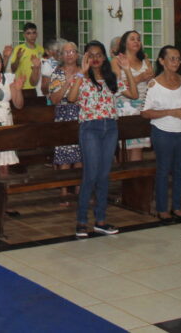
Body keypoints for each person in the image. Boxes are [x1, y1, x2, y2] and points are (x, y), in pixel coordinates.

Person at [65, 40, 137, 238]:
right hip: (90, 128)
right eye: (91, 55)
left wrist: (127, 70)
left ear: (104, 57)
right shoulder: (81, 77)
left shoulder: (111, 78)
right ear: (86, 57)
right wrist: (82, 72)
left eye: (99, 55)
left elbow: (134, 93)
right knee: (91, 174)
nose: (95, 59)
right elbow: (71, 98)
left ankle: (101, 221)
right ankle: (81, 221)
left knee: (104, 175)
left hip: (110, 128)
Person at [142, 46, 181, 223]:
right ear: (162, 61)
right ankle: (162, 209)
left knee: (180, 169)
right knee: (163, 170)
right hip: (163, 132)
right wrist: (171, 112)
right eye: (172, 58)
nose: (176, 62)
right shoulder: (154, 85)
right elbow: (145, 112)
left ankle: (177, 207)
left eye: (178, 59)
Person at [48, 42, 83, 204]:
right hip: (63, 116)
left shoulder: (83, 72)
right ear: (61, 56)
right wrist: (67, 84)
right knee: (64, 156)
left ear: (77, 54)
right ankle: (63, 192)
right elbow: (54, 99)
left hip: (81, 115)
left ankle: (79, 190)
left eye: (72, 51)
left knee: (81, 155)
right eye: (66, 52)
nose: (69, 54)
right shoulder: (57, 73)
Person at [114, 30, 155, 162]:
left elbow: (152, 83)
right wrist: (140, 78)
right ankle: (124, 172)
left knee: (138, 146)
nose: (136, 41)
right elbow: (117, 85)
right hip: (124, 105)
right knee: (125, 146)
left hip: (142, 104)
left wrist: (151, 80)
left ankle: (136, 174)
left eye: (138, 39)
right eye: (132, 39)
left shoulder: (145, 60)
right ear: (124, 43)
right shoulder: (117, 61)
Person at [8, 22, 42, 91]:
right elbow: (13, 70)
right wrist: (18, 58)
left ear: (37, 34)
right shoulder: (19, 49)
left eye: (34, 33)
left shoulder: (41, 49)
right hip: (22, 87)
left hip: (37, 87)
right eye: (28, 33)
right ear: (24, 35)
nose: (32, 36)